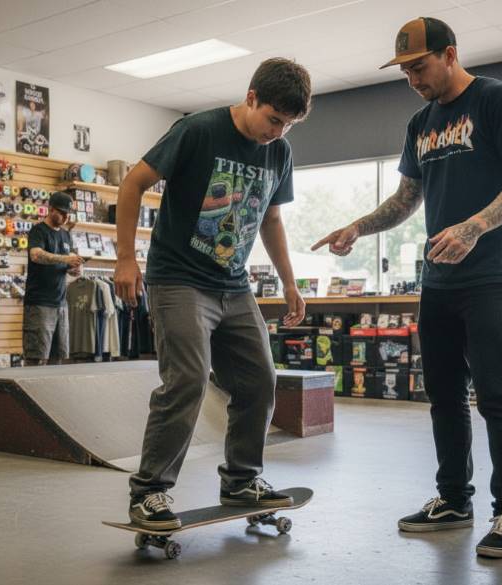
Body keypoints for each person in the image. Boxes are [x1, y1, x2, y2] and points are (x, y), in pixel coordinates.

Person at [313, 17, 502, 559]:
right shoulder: (420, 122)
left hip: (493, 275)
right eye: (405, 70)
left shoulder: (497, 100)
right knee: (441, 395)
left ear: (449, 54)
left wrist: (474, 226)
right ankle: (453, 500)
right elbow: (406, 198)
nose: (412, 78)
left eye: (419, 66)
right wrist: (357, 227)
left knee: (497, 396)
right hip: (438, 278)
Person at [114, 58, 311, 529]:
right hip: (179, 280)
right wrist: (125, 258)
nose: (278, 132)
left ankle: (242, 479)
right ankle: (150, 492)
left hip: (234, 284)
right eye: (274, 119)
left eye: (289, 125)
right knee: (187, 379)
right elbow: (133, 183)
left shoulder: (278, 153)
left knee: (260, 380)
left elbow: (271, 218)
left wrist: (288, 281)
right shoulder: (197, 130)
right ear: (251, 98)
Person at [23, 192, 83, 366]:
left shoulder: (65, 235)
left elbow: (68, 264)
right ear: (50, 209)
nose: (65, 217)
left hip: (60, 303)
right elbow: (36, 255)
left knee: (58, 356)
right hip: (39, 303)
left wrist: (75, 268)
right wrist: (65, 259)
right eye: (62, 212)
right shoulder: (38, 231)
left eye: (67, 214)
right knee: (36, 357)